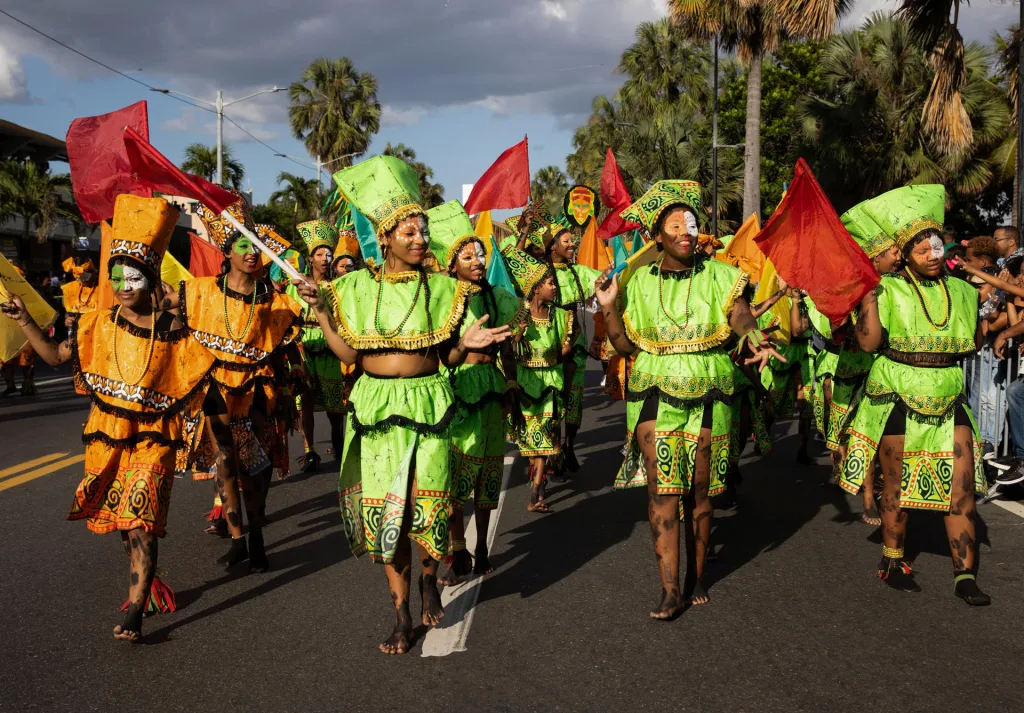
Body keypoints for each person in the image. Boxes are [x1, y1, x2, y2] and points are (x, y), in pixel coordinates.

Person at [291, 156, 511, 655]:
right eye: (409, 232)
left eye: (423, 231)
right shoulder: (354, 287)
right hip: (374, 406)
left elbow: (446, 356)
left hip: (428, 401)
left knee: (427, 506)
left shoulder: (445, 288)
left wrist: (465, 343)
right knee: (392, 513)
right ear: (385, 237)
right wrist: (322, 312)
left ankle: (429, 580)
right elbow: (350, 355)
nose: (419, 239)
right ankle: (401, 615)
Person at [1, 195, 215, 641]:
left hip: (153, 439)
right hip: (107, 437)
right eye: (116, 277)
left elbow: (198, 372)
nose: (123, 285)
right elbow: (54, 356)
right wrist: (23, 319)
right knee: (124, 524)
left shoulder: (174, 329)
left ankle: (135, 610)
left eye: (132, 277)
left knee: (140, 519)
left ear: (150, 278)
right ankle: (147, 585)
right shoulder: (94, 324)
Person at [596, 180, 781, 619]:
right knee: (663, 491)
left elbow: (739, 314)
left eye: (691, 223)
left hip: (710, 390)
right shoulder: (638, 281)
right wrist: (608, 306)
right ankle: (669, 588)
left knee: (699, 493)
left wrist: (751, 335)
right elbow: (624, 345)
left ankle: (697, 577)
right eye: (675, 225)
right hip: (654, 391)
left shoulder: (722, 275)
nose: (686, 231)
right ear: (657, 235)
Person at [839, 185, 989, 605]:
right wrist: (868, 295)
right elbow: (868, 344)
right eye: (920, 247)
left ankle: (964, 575)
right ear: (904, 254)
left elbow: (973, 343)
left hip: (948, 394)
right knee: (896, 485)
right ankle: (893, 560)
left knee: (962, 489)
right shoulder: (886, 288)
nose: (931, 253)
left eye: (935, 244)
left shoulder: (963, 291)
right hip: (897, 394)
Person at [162, 193, 304, 572]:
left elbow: (284, 340)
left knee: (254, 470)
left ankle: (257, 538)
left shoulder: (270, 297)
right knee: (225, 464)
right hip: (216, 391)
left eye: (255, 246)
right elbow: (162, 308)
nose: (252, 253)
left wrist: (289, 387)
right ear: (227, 252)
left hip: (256, 390)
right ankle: (239, 540)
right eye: (243, 246)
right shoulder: (201, 291)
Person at [425, 201, 526, 583]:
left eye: (480, 254)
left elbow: (507, 348)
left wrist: (512, 388)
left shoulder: (497, 297)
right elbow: (440, 354)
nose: (478, 261)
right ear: (452, 266)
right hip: (457, 391)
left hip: (492, 392)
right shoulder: (443, 301)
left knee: (487, 475)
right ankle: (457, 551)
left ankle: (481, 547)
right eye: (467, 257)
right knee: (454, 478)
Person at [830, 203, 903, 525]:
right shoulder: (853, 287)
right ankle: (869, 498)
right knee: (863, 439)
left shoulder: (901, 288)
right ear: (875, 258)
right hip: (855, 373)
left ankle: (884, 493)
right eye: (893, 253)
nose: (899, 258)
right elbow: (835, 329)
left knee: (887, 440)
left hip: (889, 374)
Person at [504, 245, 572, 513]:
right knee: (531, 441)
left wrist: (560, 351)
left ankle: (534, 492)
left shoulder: (561, 315)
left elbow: (565, 348)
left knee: (545, 438)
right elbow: (508, 351)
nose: (554, 287)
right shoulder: (518, 313)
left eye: (554, 283)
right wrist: (518, 335)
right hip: (526, 383)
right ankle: (538, 476)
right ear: (535, 289)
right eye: (549, 283)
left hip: (551, 383)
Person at [285, 220, 345, 472]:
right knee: (306, 404)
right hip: (304, 352)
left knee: (335, 408)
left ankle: (339, 444)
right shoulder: (295, 285)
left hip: (330, 351)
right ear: (310, 258)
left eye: (328, 254)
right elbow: (288, 318)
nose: (325, 259)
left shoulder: (338, 288)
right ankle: (309, 451)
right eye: (319, 254)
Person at [545, 222, 604, 473]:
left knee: (574, 399)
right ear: (552, 246)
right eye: (566, 241)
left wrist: (611, 273)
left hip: (576, 343)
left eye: (573, 241)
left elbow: (602, 279)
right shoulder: (541, 273)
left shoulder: (578, 271)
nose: (572, 245)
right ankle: (552, 450)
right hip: (549, 341)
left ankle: (569, 446)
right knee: (551, 397)